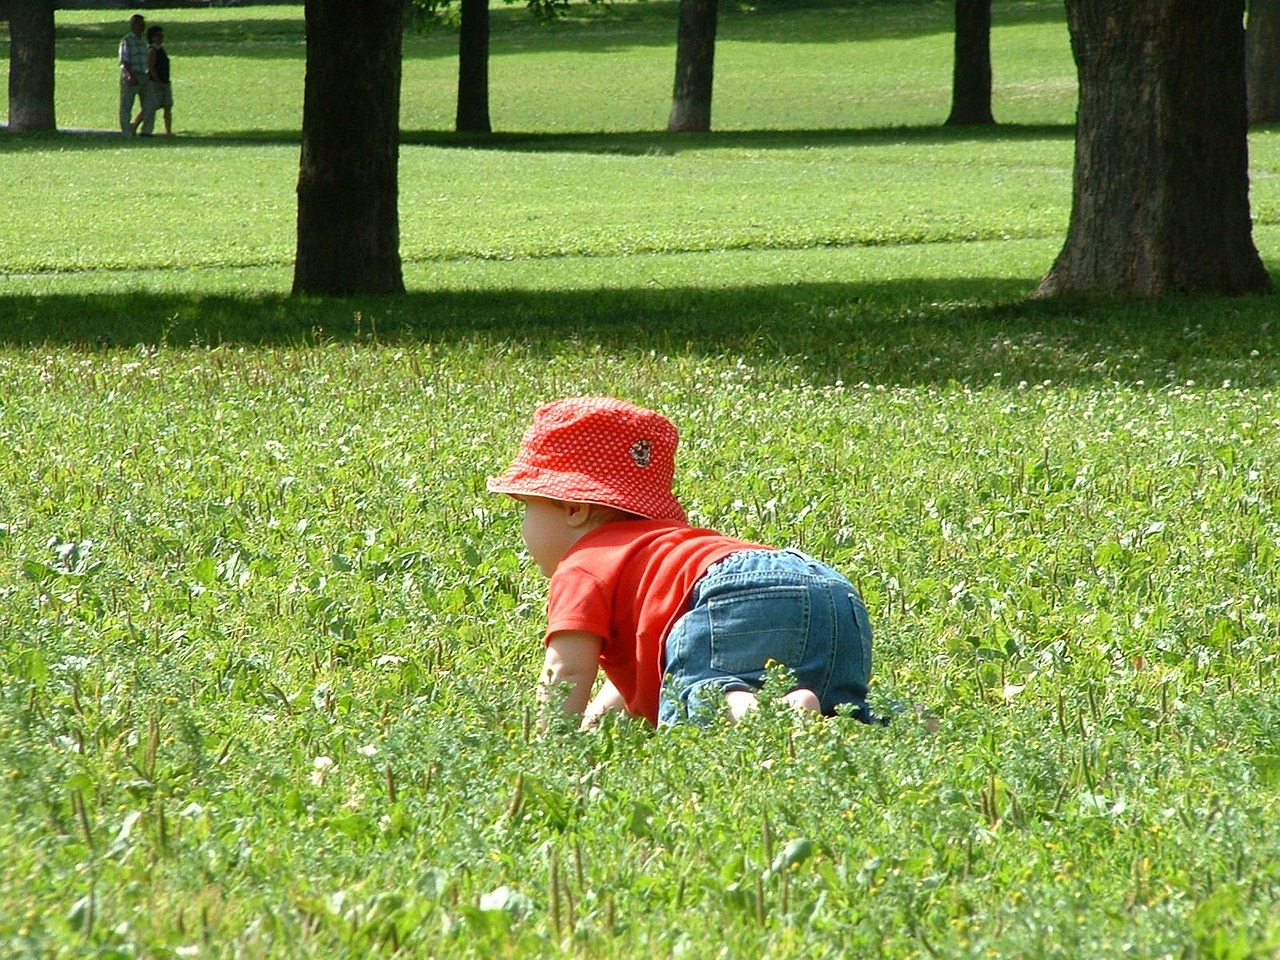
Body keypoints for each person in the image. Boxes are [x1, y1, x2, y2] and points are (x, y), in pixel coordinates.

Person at [488, 396, 876, 729]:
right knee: (842, 712)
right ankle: (899, 719)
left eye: (525, 507)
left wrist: (546, 747)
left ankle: (758, 716)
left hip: (732, 593)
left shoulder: (583, 562)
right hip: (833, 592)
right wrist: (595, 722)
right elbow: (642, 675)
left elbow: (567, 672)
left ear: (574, 509)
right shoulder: (654, 552)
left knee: (704, 697)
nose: (522, 524)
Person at [133, 25, 173, 136]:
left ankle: (168, 132)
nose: (160, 38)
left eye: (161, 35)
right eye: (157, 35)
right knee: (149, 108)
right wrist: (158, 82)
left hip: (166, 81)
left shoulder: (161, 49)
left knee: (168, 106)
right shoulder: (152, 50)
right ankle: (134, 127)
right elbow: (151, 68)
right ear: (152, 37)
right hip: (155, 84)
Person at [118, 14, 152, 136]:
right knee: (127, 105)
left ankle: (146, 132)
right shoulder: (126, 41)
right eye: (140, 24)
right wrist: (130, 76)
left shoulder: (143, 41)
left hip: (144, 75)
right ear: (133, 25)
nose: (143, 27)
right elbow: (124, 61)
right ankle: (126, 131)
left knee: (149, 105)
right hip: (131, 76)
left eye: (143, 25)